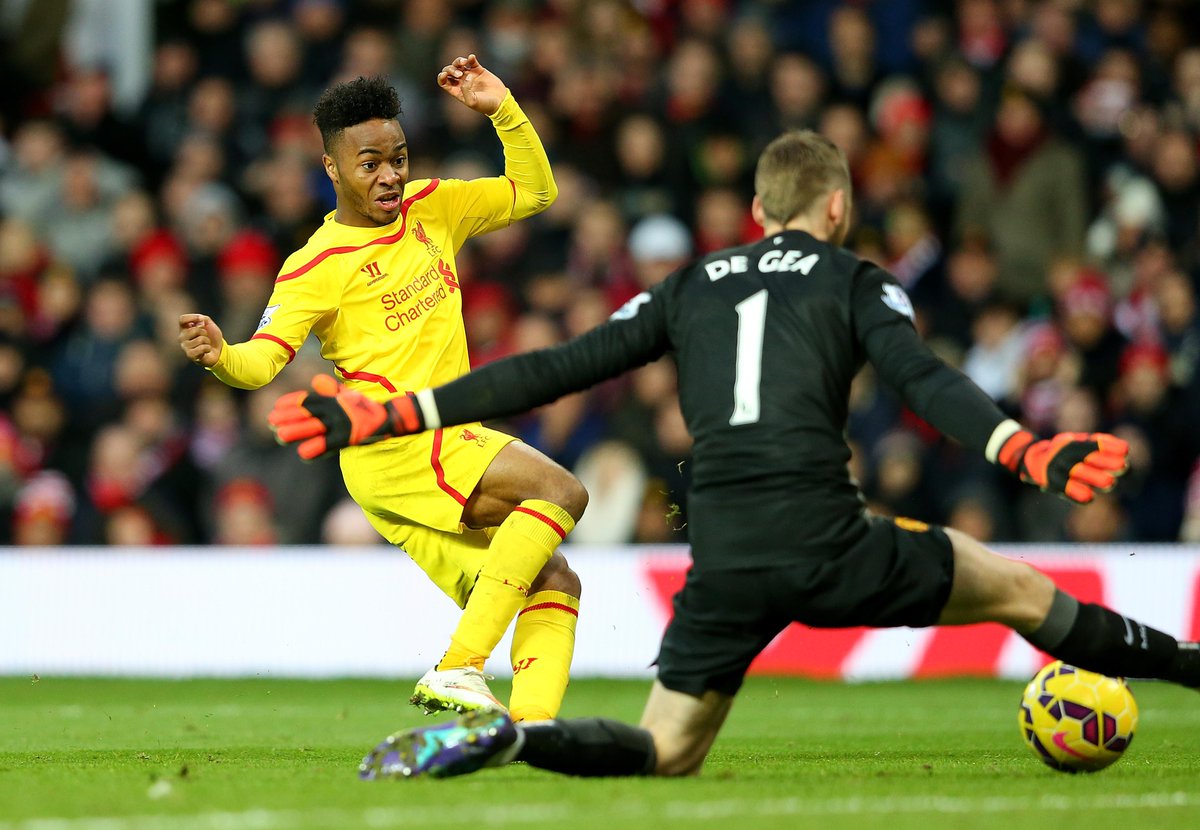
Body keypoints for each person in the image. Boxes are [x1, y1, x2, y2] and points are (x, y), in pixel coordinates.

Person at [269, 130, 1200, 780]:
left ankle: (518, 740)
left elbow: (555, 368)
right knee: (1024, 594)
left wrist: (395, 413)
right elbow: (923, 380)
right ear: (837, 206)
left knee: (666, 752)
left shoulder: (688, 285)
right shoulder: (858, 280)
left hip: (721, 565)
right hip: (832, 541)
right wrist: (1025, 449)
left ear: (755, 210)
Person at [179, 57, 588, 723]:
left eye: (398, 158)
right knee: (562, 492)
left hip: (443, 438)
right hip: (396, 441)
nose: (391, 175)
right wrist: (222, 355)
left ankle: (534, 730)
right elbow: (262, 362)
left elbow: (535, 192)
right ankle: (458, 665)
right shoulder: (315, 265)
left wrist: (502, 109)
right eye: (369, 163)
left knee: (553, 579)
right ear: (332, 168)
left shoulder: (435, 207)